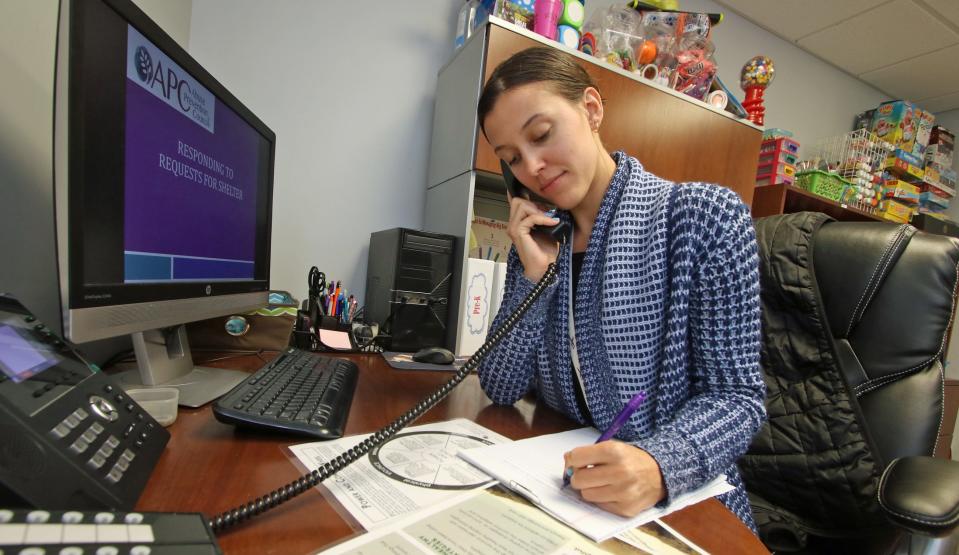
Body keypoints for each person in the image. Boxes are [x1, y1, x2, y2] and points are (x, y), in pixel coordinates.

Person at [475, 46, 766, 532]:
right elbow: (500, 386)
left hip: (684, 505)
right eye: (512, 159)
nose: (533, 168)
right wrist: (536, 278)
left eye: (542, 135)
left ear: (591, 109)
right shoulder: (537, 243)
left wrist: (660, 465)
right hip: (572, 497)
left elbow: (738, 398)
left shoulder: (703, 219)